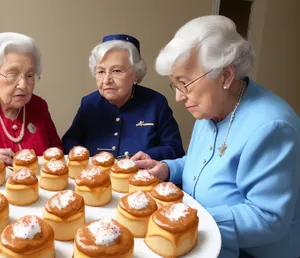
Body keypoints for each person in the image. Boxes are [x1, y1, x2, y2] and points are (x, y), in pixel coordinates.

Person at [132, 16, 300, 258]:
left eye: (184, 83)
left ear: (225, 76)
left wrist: (193, 219)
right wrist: (167, 169)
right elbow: (199, 165)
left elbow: (269, 218)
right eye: (174, 85)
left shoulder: (273, 126)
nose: (178, 97)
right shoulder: (211, 109)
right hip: (204, 235)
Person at [62, 34, 185, 160]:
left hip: (139, 175)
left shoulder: (156, 103)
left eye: (116, 71)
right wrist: (83, 156)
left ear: (136, 74)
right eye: (101, 71)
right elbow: (69, 141)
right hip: (97, 176)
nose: (106, 80)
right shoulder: (89, 103)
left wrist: (149, 156)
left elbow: (175, 148)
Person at [0, 32, 63, 165]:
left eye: (29, 76)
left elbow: (56, 147)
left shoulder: (38, 105)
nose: (23, 85)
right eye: (12, 74)